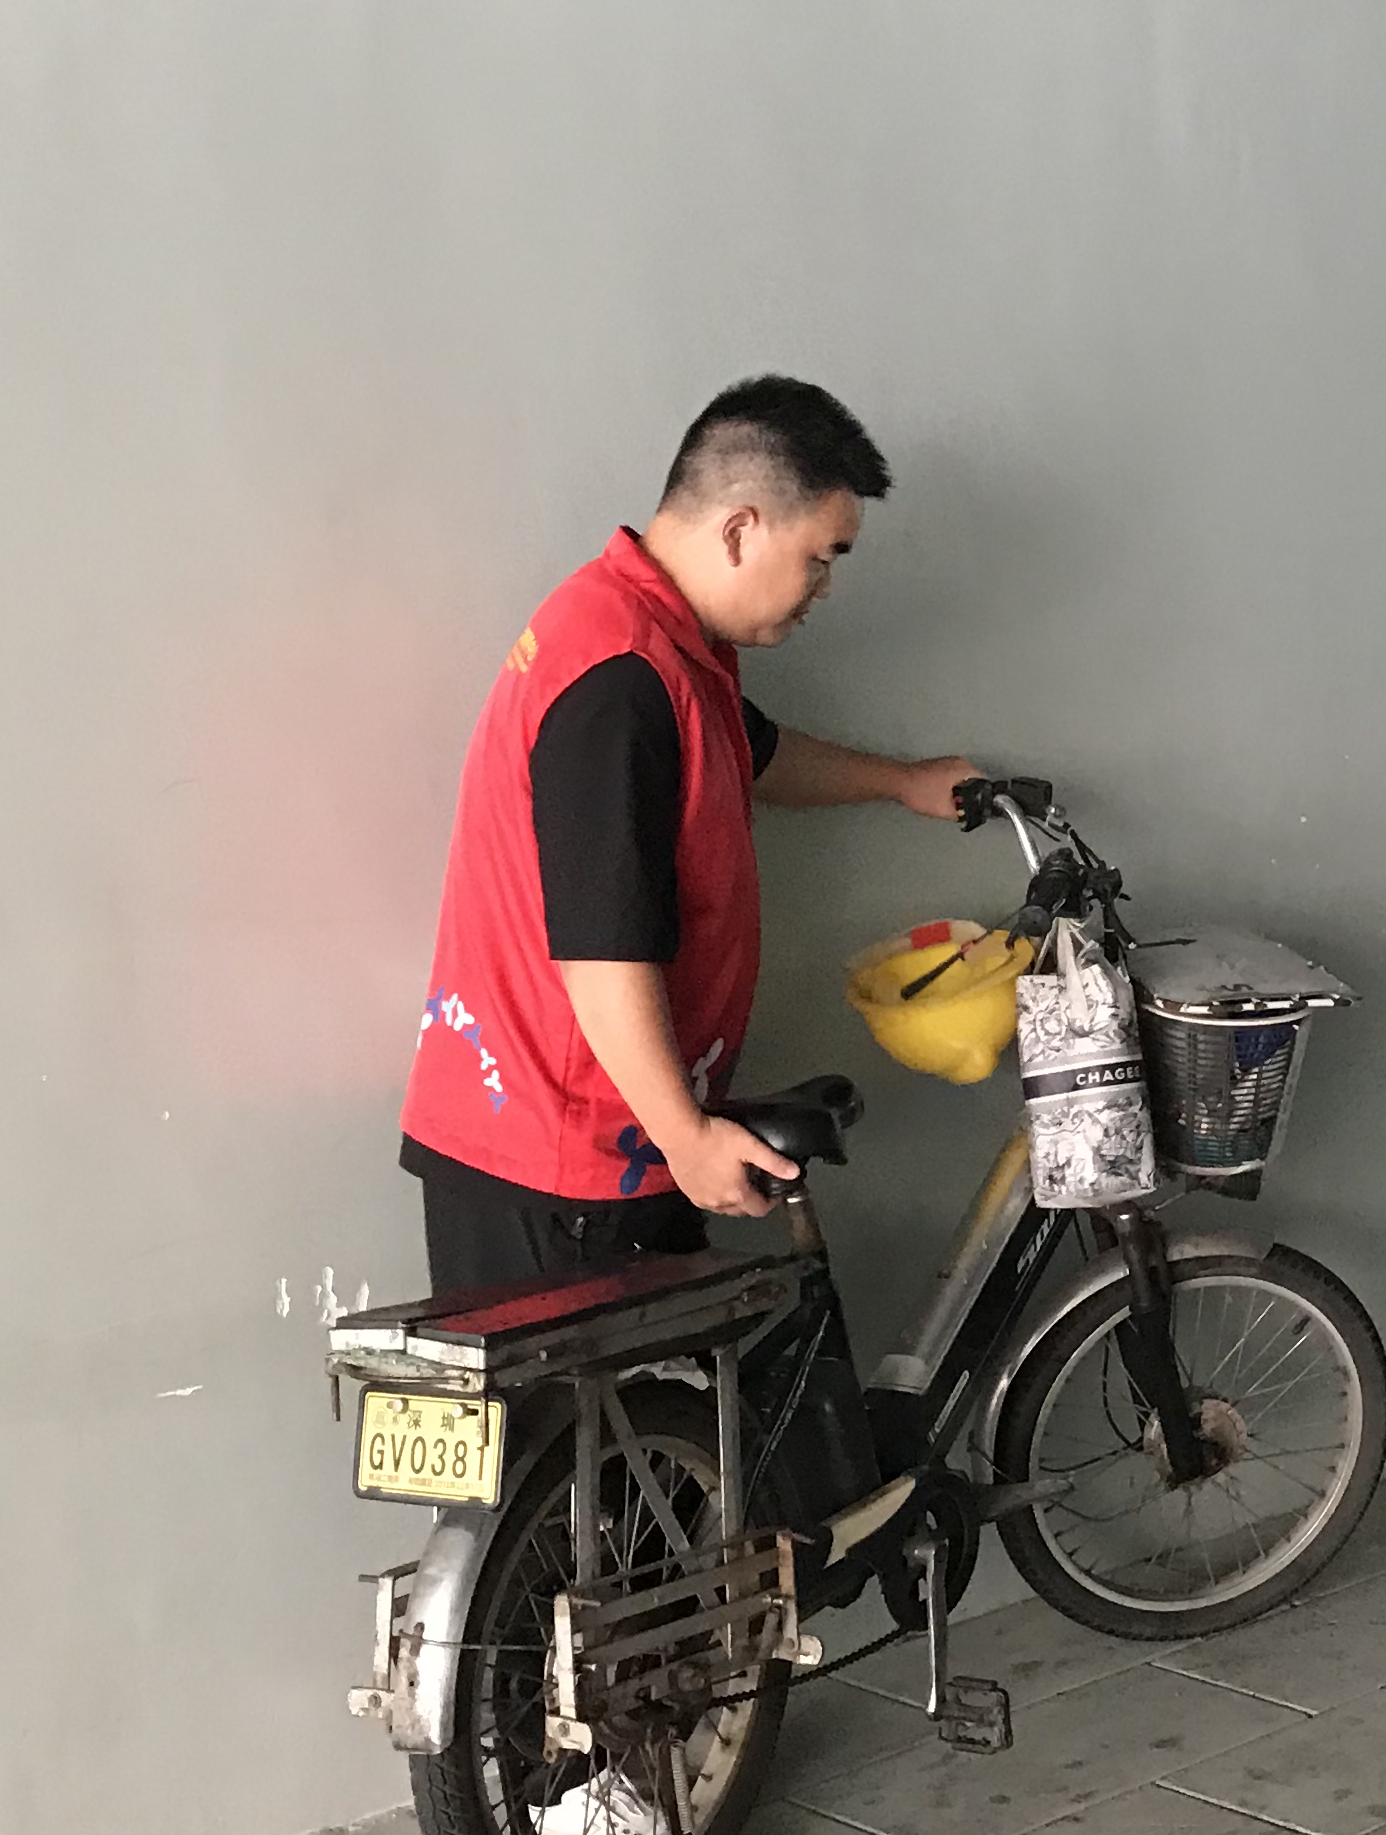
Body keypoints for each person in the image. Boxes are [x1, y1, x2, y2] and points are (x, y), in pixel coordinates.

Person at [399, 376, 979, 1294]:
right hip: (559, 1161)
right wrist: (685, 1138)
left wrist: (903, 783)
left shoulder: (659, 640)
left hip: (595, 1135)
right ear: (741, 529)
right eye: (820, 557)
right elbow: (600, 953)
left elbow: (750, 752)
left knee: (657, 1385)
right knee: (580, 1391)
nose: (824, 588)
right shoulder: (620, 679)